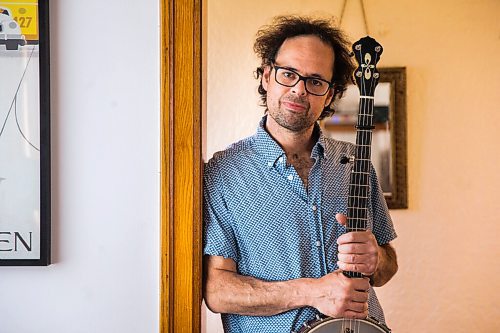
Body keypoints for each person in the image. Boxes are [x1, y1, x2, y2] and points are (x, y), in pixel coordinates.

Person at [203, 15, 398, 333]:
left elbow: (387, 268)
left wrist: (376, 257)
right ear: (267, 76)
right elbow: (217, 291)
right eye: (288, 74)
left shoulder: (355, 163)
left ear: (331, 95)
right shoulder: (223, 173)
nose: (299, 90)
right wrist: (313, 291)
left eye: (315, 81)